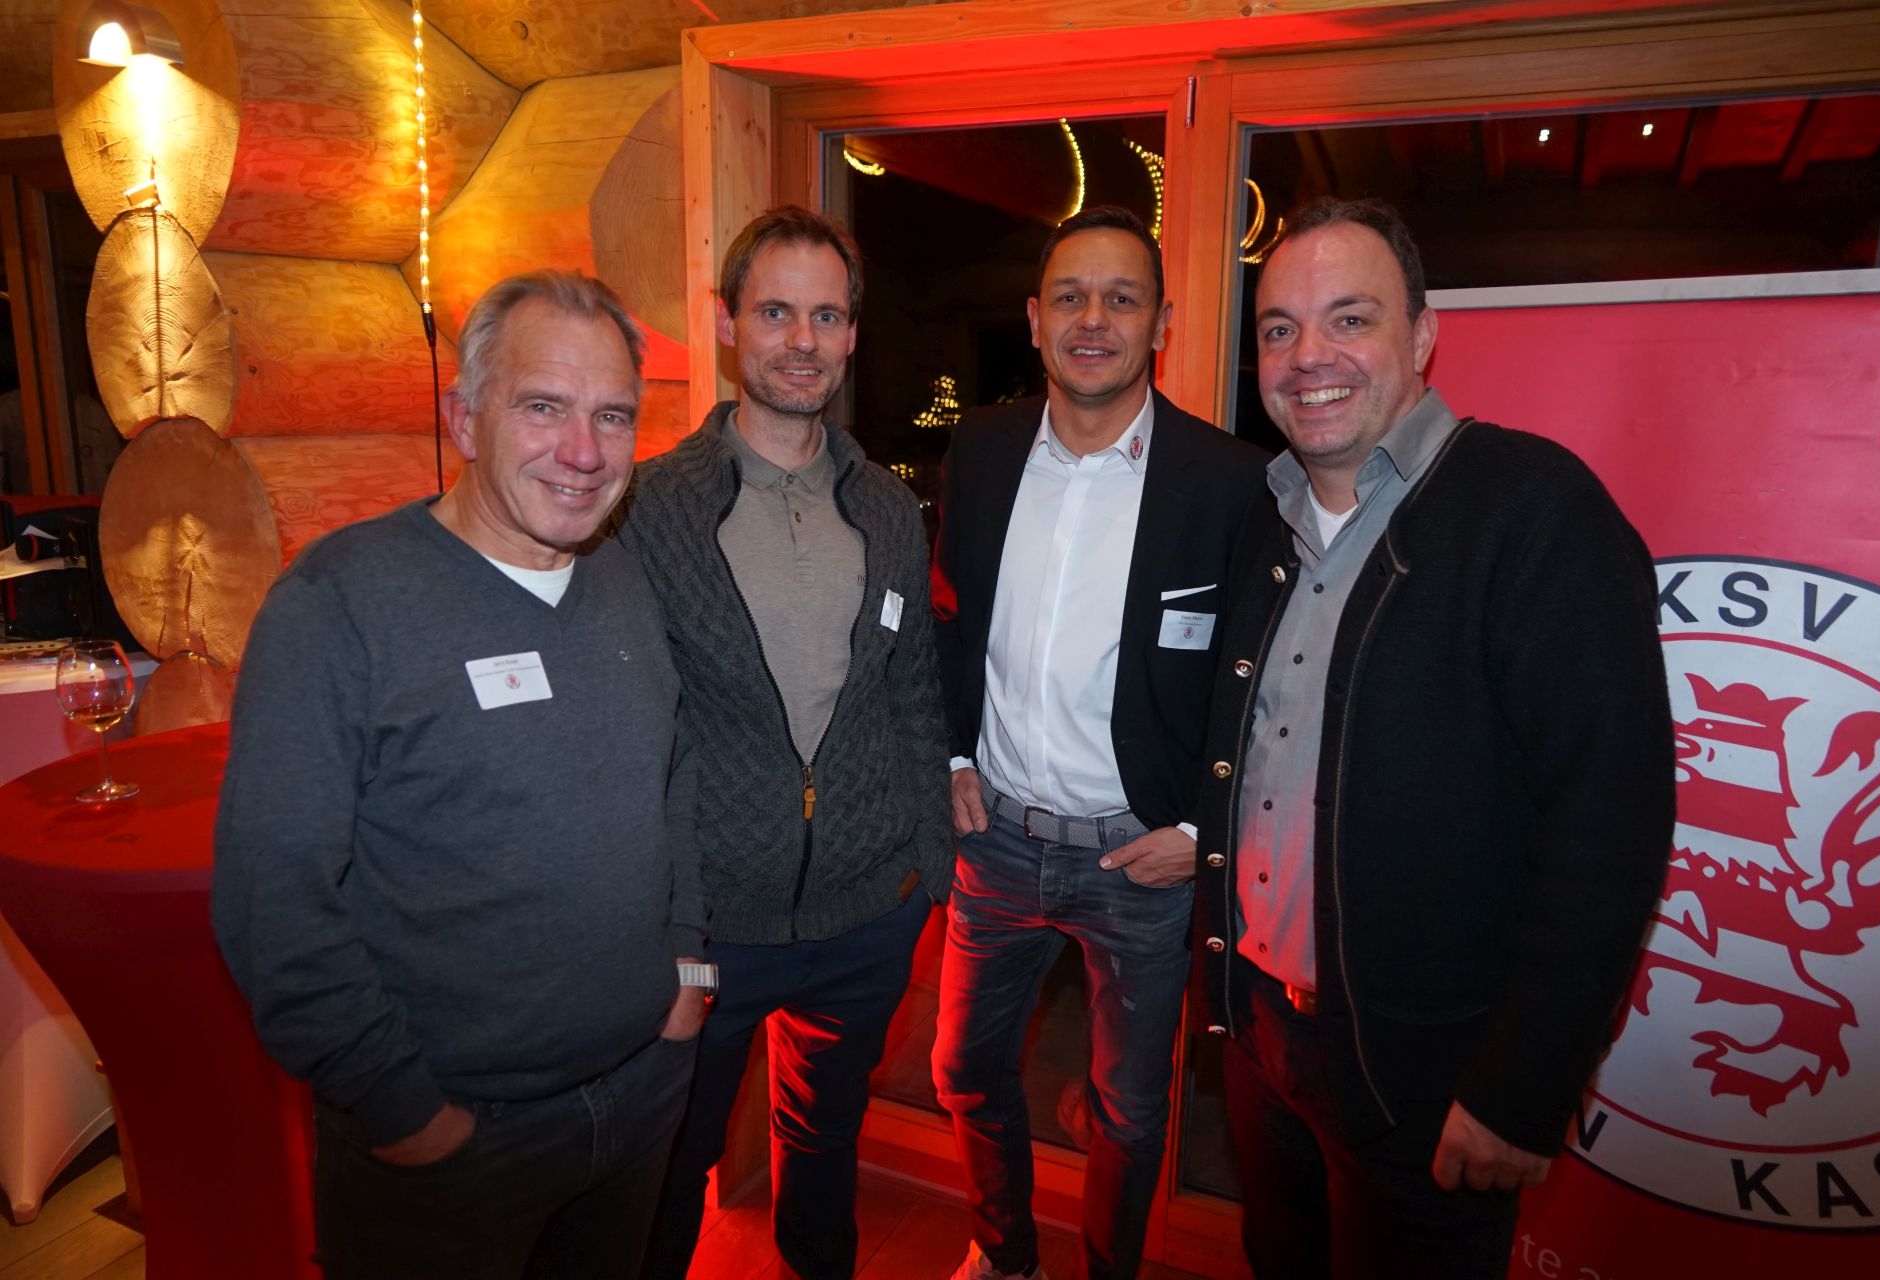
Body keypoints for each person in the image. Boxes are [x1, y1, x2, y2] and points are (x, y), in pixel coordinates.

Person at [1190, 197, 1674, 1279]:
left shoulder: (1536, 509)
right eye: (1279, 328)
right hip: (1261, 1039)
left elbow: (1612, 821)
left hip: (1425, 1079)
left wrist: (1522, 1090)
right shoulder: (1267, 520)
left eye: (1349, 319)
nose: (1309, 356)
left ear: (1421, 336)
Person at [212, 270, 707, 1278]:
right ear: (465, 418)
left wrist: (689, 971)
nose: (583, 451)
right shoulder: (339, 603)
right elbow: (274, 900)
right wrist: (400, 1110)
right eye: (543, 407)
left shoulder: (621, 574)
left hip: (641, 1092)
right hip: (454, 1142)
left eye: (612, 415)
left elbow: (677, 773)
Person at [931, 205, 1270, 1280]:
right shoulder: (981, 451)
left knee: (1129, 1110)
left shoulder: (1229, 480)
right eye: (1071, 297)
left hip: (1141, 859)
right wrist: (952, 756)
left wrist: (1200, 831)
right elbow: (952, 621)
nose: (1093, 320)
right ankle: (1006, 1255)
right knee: (962, 1071)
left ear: (1160, 322)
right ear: (1034, 319)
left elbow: (1256, 679)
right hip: (996, 844)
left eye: (1121, 299)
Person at [619, 206, 952, 1280]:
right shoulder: (650, 507)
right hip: (712, 924)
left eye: (826, 316)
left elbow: (913, 690)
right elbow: (633, 725)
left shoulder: (889, 507)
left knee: (824, 1146)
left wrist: (929, 867)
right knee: (672, 1164)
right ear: (728, 323)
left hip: (867, 915)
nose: (802, 340)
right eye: (775, 312)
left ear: (851, 332)